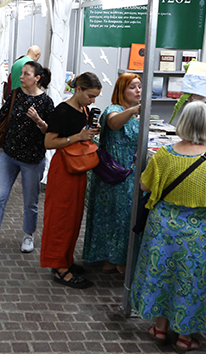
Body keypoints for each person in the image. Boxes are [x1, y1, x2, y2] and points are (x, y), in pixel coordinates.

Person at [131, 101, 206, 352]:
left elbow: (145, 187)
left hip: (163, 229)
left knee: (162, 277)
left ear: (183, 123)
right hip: (200, 233)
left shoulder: (165, 154)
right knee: (191, 282)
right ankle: (184, 337)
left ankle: (159, 328)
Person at [0, 61, 54, 254]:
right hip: (9, 154)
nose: (21, 76)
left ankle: (28, 235)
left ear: (37, 78)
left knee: (30, 201)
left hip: (33, 159)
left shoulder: (46, 102)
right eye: (22, 73)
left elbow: (50, 132)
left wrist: (38, 121)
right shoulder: (16, 94)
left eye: (26, 74)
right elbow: (1, 116)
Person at [41, 72, 102, 289]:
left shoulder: (83, 110)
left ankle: (65, 260)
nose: (92, 100)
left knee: (74, 217)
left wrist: (88, 134)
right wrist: (78, 137)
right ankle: (59, 267)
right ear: (79, 89)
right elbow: (48, 142)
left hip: (77, 167)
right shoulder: (62, 110)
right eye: (91, 95)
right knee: (60, 217)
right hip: (64, 169)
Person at [82, 73, 141, 275]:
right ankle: (112, 259)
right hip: (113, 171)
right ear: (121, 90)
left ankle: (114, 259)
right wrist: (134, 109)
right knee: (113, 215)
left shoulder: (134, 115)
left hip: (129, 172)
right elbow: (114, 123)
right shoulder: (114, 109)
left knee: (121, 216)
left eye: (139, 87)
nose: (138, 91)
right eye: (132, 87)